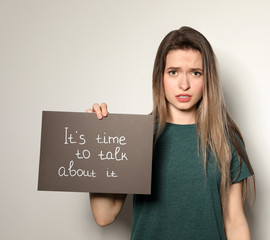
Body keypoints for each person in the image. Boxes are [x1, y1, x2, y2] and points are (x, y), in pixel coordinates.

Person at [87, 26, 255, 240]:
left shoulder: (226, 138)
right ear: (161, 76)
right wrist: (94, 146)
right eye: (173, 72)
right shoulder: (135, 136)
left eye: (195, 73)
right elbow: (104, 215)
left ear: (208, 79)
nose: (184, 85)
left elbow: (235, 222)